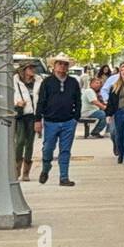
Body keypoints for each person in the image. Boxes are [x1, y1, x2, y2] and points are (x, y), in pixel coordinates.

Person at [36, 54, 82, 186]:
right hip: (51, 121)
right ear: (54, 66)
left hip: (68, 121)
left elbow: (77, 100)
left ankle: (64, 177)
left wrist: (75, 117)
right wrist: (38, 119)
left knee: (65, 150)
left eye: (65, 64)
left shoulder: (73, 82)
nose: (62, 66)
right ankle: (46, 167)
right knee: (48, 148)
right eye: (59, 64)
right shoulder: (47, 82)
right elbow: (41, 101)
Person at [13, 62, 41, 182]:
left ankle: (26, 172)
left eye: (33, 68)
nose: (32, 70)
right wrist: (17, 103)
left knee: (29, 143)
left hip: (33, 115)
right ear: (23, 70)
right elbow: (10, 95)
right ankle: (16, 168)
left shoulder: (39, 81)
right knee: (19, 141)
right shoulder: (15, 81)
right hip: (20, 115)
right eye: (30, 68)